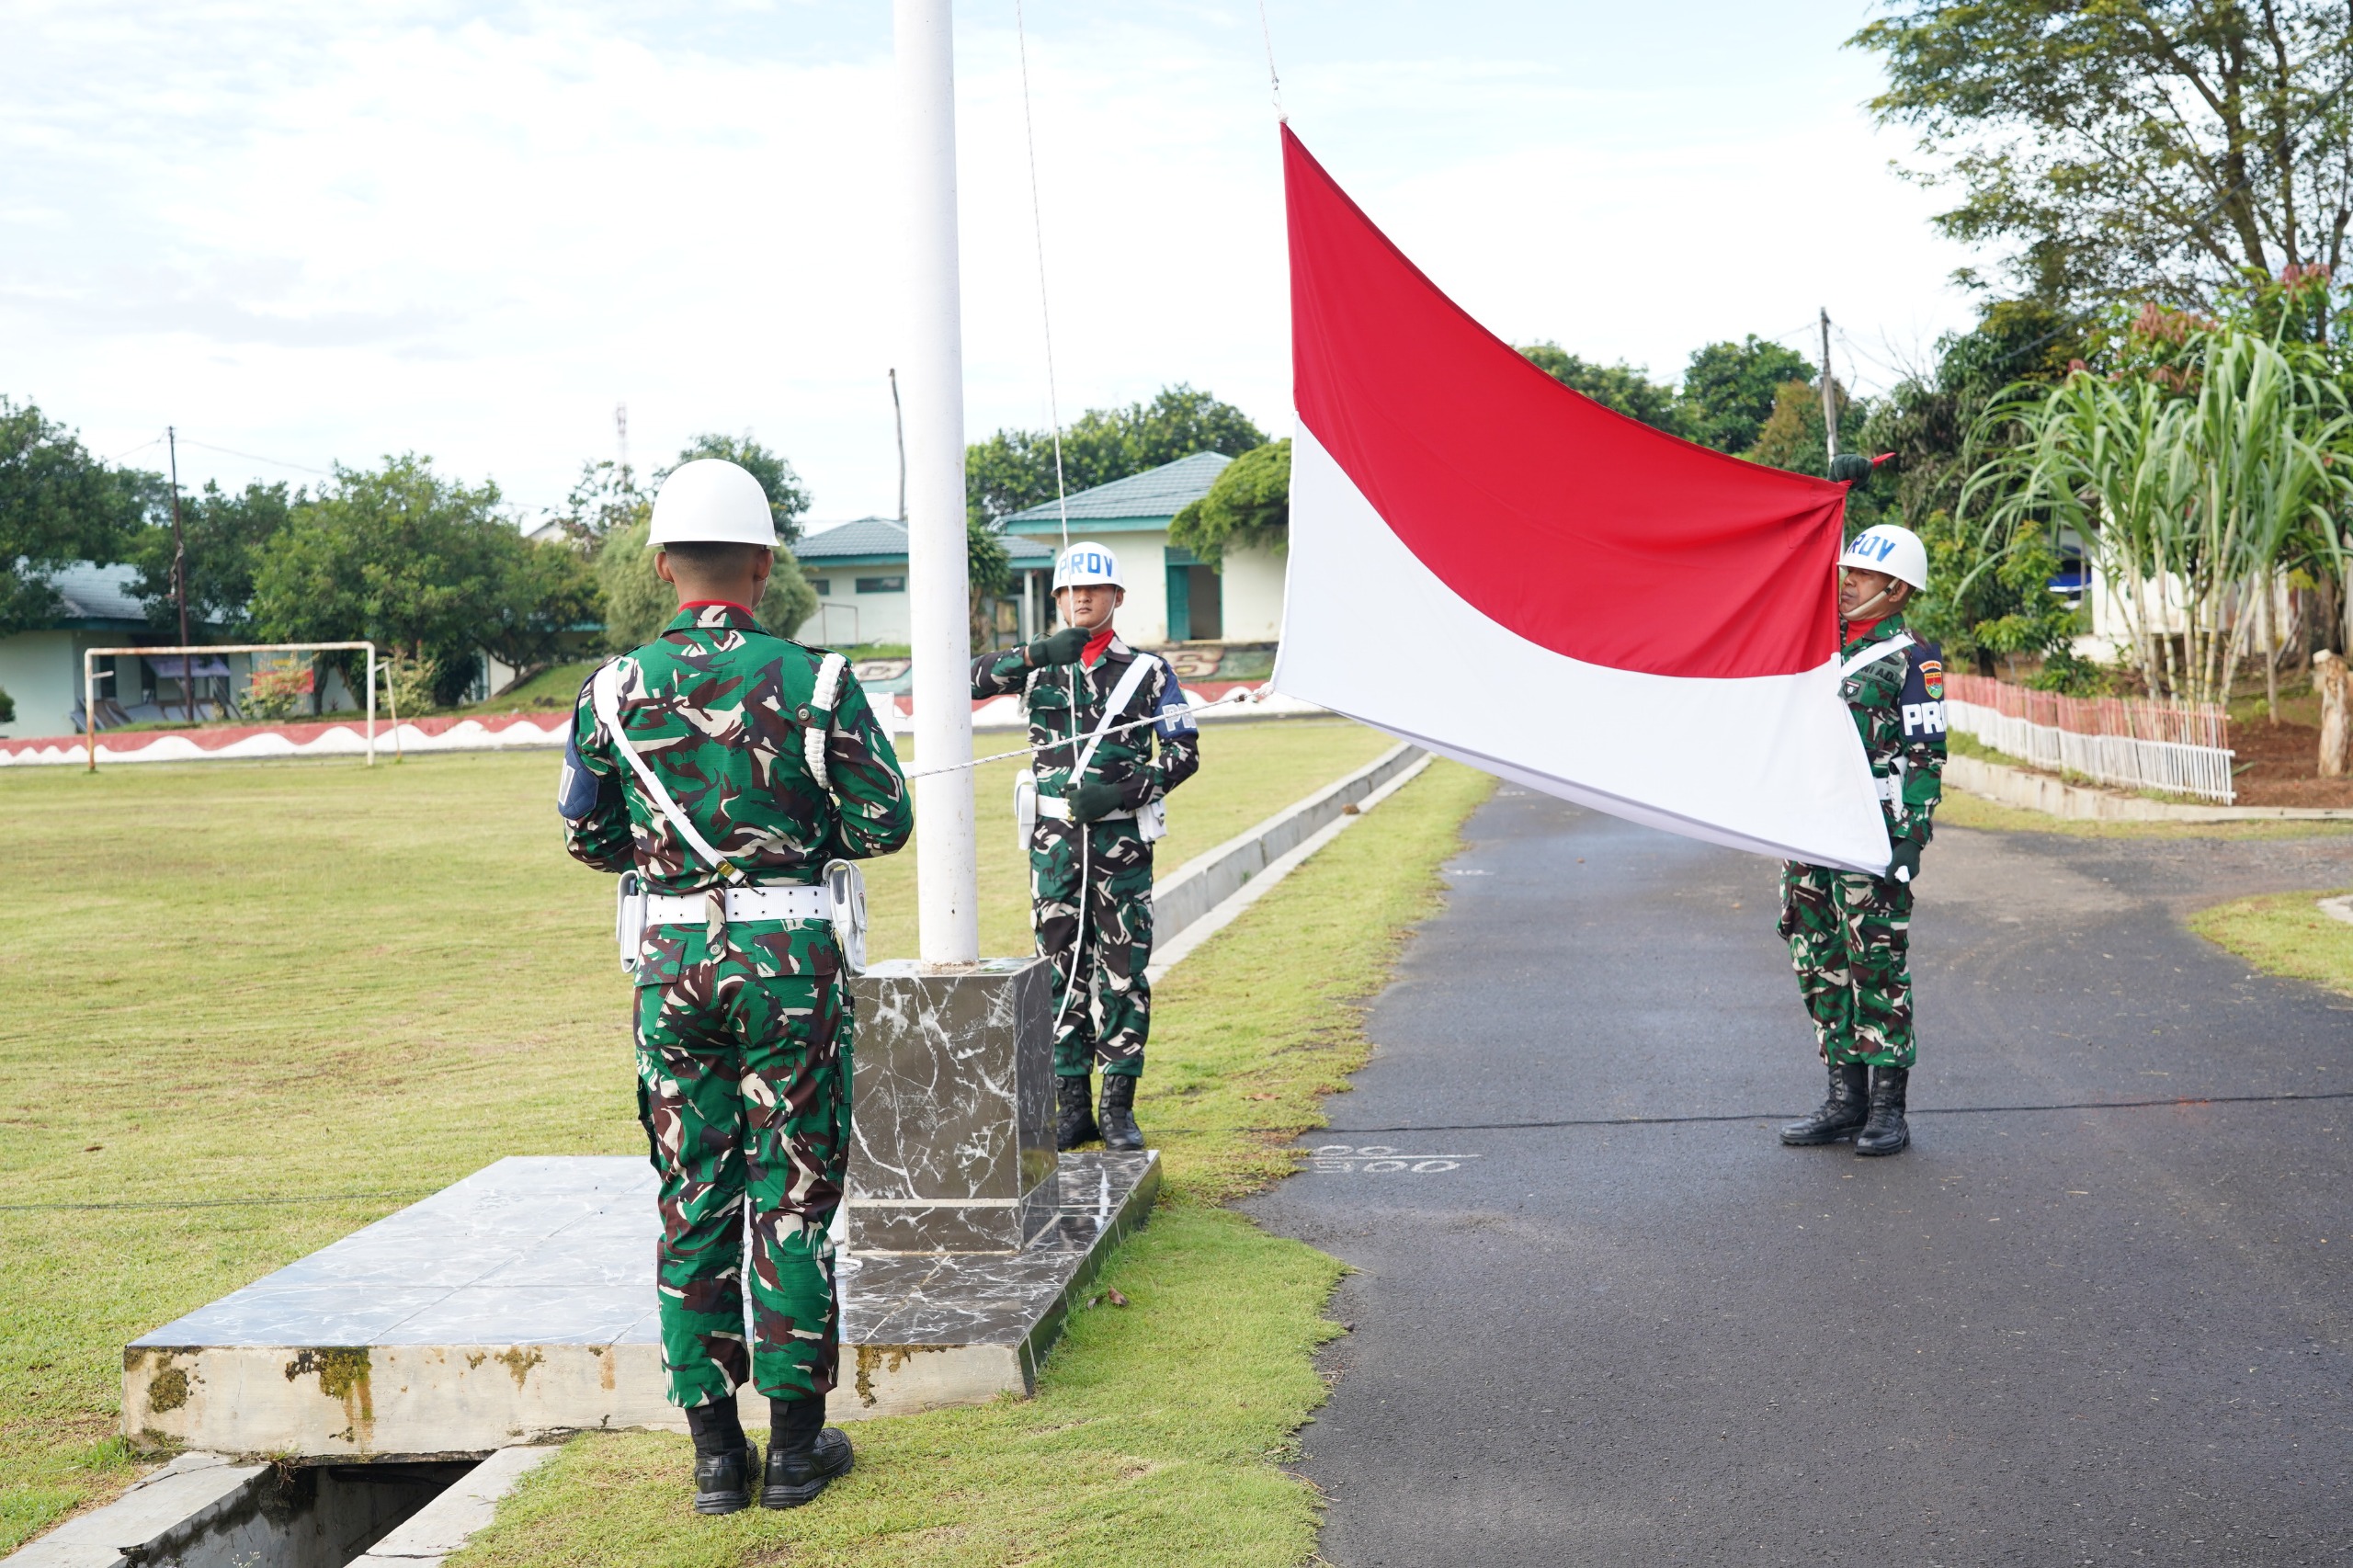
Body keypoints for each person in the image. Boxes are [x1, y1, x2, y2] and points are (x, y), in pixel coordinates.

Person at [558, 459, 913, 1514]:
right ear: (764, 563)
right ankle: (795, 1451)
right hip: (789, 965)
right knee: (792, 1193)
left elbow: (588, 837)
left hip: (672, 969)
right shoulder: (819, 681)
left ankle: (716, 1457)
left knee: (692, 1194)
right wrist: (794, 836)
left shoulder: (611, 688)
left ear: (661, 565)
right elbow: (883, 821)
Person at [972, 540, 1200, 1153]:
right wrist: (1036, 653)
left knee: (1124, 972)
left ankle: (1118, 1106)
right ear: (1057, 597)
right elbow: (962, 682)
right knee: (1059, 972)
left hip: (1121, 844)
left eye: (1095, 589)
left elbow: (1184, 753)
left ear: (1116, 597)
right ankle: (1071, 1104)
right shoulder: (1037, 667)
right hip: (1054, 848)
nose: (1082, 598)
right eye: (1071, 589)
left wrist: (1125, 790)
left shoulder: (1148, 672)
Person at [1777, 493, 1946, 1158]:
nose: (1845, 582)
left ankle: (1886, 1110)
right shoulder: (1819, 643)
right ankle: (1844, 1101)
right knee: (1818, 961)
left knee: (1875, 964)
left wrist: (1912, 838)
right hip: (1809, 832)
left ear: (1896, 588)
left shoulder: (1914, 659)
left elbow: (1926, 755)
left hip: (1870, 837)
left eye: (1862, 575)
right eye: (1846, 571)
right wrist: (1826, 495)